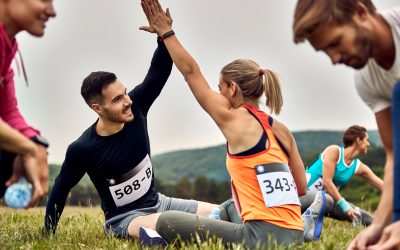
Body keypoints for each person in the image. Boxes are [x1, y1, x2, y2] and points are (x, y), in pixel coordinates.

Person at [140, 0, 310, 247]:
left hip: (261, 238)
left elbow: (190, 73)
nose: (218, 95)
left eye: (220, 88)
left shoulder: (235, 118)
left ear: (232, 88)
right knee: (230, 207)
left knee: (167, 221)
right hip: (295, 234)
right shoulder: (281, 130)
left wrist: (166, 33)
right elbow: (301, 187)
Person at [44, 38, 217, 239]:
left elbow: (158, 71)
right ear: (98, 108)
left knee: (222, 213)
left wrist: (163, 36)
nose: (128, 101)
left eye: (124, 93)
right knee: (168, 224)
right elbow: (60, 189)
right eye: (117, 99)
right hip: (124, 220)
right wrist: (48, 234)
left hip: (160, 203)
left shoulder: (137, 107)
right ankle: (154, 235)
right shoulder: (82, 149)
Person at [292, 0, 400, 249]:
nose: (334, 59)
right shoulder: (367, 81)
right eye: (325, 51)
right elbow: (395, 156)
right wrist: (377, 226)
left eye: (335, 43)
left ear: (361, 13)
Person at [0, 0, 55, 207]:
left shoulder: (7, 44)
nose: (52, 12)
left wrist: (36, 144)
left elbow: (8, 112)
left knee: (20, 142)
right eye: (44, 0)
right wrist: (28, 149)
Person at [301, 125, 383, 226]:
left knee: (366, 218)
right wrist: (345, 206)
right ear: (358, 140)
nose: (369, 144)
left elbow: (383, 185)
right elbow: (327, 182)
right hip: (304, 195)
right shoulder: (334, 151)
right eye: (367, 140)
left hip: (327, 202)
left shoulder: (357, 165)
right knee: (327, 199)